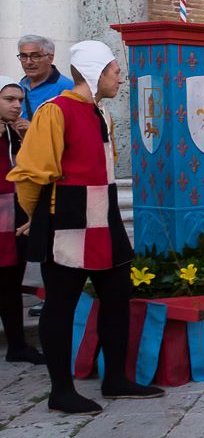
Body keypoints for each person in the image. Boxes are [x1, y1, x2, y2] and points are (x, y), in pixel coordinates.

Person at [8, 42, 162, 412]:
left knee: (117, 297)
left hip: (104, 217)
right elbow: (31, 175)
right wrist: (37, 216)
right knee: (60, 304)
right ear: (95, 74)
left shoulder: (101, 114)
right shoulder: (54, 112)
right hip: (68, 219)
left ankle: (115, 380)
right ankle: (61, 391)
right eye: (114, 71)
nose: (119, 78)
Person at [0, 77, 42, 364]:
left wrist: (30, 138)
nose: (17, 106)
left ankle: (17, 345)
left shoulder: (14, 134)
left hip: (13, 215)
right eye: (9, 100)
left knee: (10, 281)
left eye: (19, 100)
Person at [13, 35, 74, 130]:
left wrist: (34, 128)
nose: (28, 62)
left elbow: (73, 128)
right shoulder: (17, 87)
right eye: (23, 56)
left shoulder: (68, 88)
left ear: (50, 58)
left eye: (35, 56)